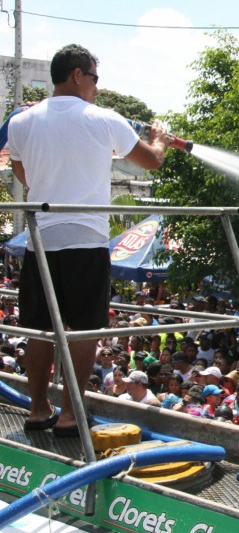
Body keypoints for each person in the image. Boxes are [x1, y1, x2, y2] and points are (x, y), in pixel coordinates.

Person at [10, 44, 171, 437]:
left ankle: (36, 410)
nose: (97, 87)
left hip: (40, 240)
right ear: (78, 74)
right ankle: (69, 414)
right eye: (95, 78)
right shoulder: (105, 119)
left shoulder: (22, 121)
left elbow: (22, 171)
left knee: (38, 328)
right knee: (84, 329)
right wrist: (160, 138)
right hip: (86, 238)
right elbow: (151, 160)